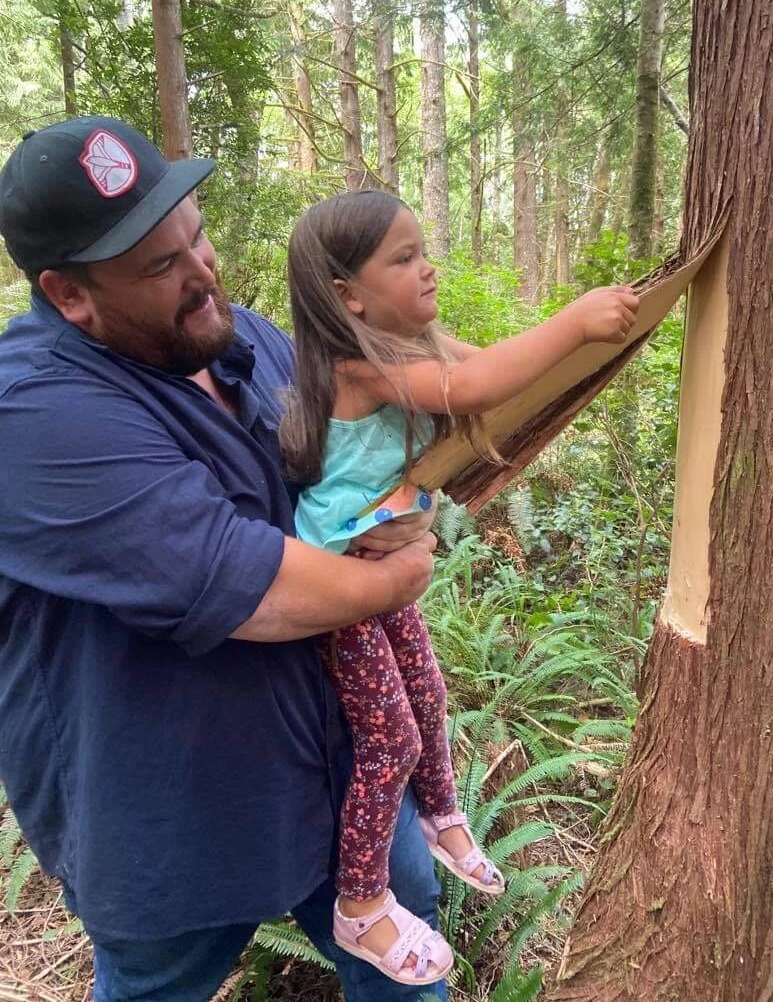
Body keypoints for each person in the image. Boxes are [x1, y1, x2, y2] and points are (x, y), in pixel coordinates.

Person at [0, 117, 450, 1002]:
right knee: (158, 986)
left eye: (196, 236)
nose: (203, 272)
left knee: (405, 964)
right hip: (174, 813)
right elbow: (251, 586)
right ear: (70, 294)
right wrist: (395, 578)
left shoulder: (247, 340)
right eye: (160, 266)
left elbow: (353, 471)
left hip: (338, 763)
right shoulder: (33, 412)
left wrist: (408, 511)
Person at [279, 191, 641, 983]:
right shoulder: (358, 365)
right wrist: (577, 320)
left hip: (378, 567)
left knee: (429, 692)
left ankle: (442, 814)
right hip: (339, 579)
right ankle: (360, 903)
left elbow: (493, 368)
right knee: (391, 739)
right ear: (348, 295)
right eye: (404, 258)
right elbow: (473, 390)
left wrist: (580, 355)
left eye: (423, 250)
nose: (428, 268)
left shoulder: (407, 346)